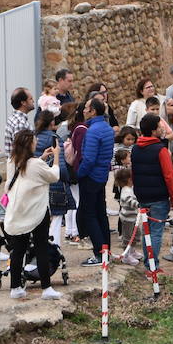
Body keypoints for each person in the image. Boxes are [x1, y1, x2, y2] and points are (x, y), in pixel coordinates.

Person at [2, 129, 66, 301]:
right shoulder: (35, 165)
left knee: (18, 250)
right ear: (30, 143)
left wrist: (42, 158)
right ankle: (46, 288)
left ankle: (15, 287)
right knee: (41, 248)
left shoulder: (12, 160)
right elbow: (54, 176)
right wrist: (57, 157)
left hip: (19, 211)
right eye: (35, 140)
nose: (37, 142)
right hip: (37, 212)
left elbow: (26, 172)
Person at [131, 114, 173, 272]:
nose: (163, 127)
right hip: (158, 197)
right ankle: (152, 266)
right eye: (160, 125)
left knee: (146, 231)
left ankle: (148, 264)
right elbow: (169, 176)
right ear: (154, 130)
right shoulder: (160, 150)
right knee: (156, 232)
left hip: (142, 195)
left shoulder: (135, 148)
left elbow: (134, 173)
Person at [76, 96, 116, 267]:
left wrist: (79, 173)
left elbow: (89, 159)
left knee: (90, 214)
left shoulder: (93, 131)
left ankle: (100, 253)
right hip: (101, 176)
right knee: (100, 214)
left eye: (86, 108)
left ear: (93, 111)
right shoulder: (106, 127)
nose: (83, 111)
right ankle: (106, 250)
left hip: (91, 177)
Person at [35, 110, 76, 247]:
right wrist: (67, 179)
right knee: (57, 219)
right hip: (55, 183)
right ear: (52, 122)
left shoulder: (34, 138)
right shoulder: (55, 138)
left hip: (38, 183)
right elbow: (61, 166)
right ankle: (54, 250)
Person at [113, 167, 141, 266]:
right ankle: (126, 256)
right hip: (127, 219)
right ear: (129, 179)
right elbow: (129, 200)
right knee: (127, 237)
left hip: (133, 218)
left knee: (136, 234)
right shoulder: (126, 191)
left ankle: (132, 251)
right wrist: (138, 205)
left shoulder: (130, 189)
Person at [4, 87, 35, 152]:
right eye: (31, 99)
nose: (33, 101)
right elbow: (21, 153)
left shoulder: (14, 118)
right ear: (23, 102)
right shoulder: (20, 123)